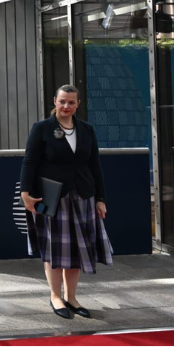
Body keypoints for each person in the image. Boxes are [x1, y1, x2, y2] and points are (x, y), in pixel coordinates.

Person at [20, 84, 112, 320]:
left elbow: (95, 165)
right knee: (55, 249)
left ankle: (71, 298)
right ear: (55, 101)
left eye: (71, 102)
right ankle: (55, 296)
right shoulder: (42, 128)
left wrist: (100, 198)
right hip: (53, 197)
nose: (66, 106)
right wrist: (25, 193)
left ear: (78, 104)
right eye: (62, 101)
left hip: (83, 196)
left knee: (76, 250)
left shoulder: (87, 129)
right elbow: (29, 162)